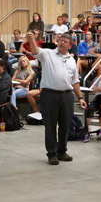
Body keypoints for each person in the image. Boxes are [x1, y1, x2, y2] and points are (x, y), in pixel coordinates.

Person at [34, 34, 79, 165]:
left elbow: (75, 81)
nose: (62, 43)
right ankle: (52, 153)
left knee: (65, 125)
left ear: (70, 46)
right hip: (49, 95)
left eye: (65, 41)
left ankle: (62, 151)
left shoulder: (71, 60)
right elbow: (35, 51)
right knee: (50, 126)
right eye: (60, 40)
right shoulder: (48, 54)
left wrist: (80, 97)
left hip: (67, 95)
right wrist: (31, 39)